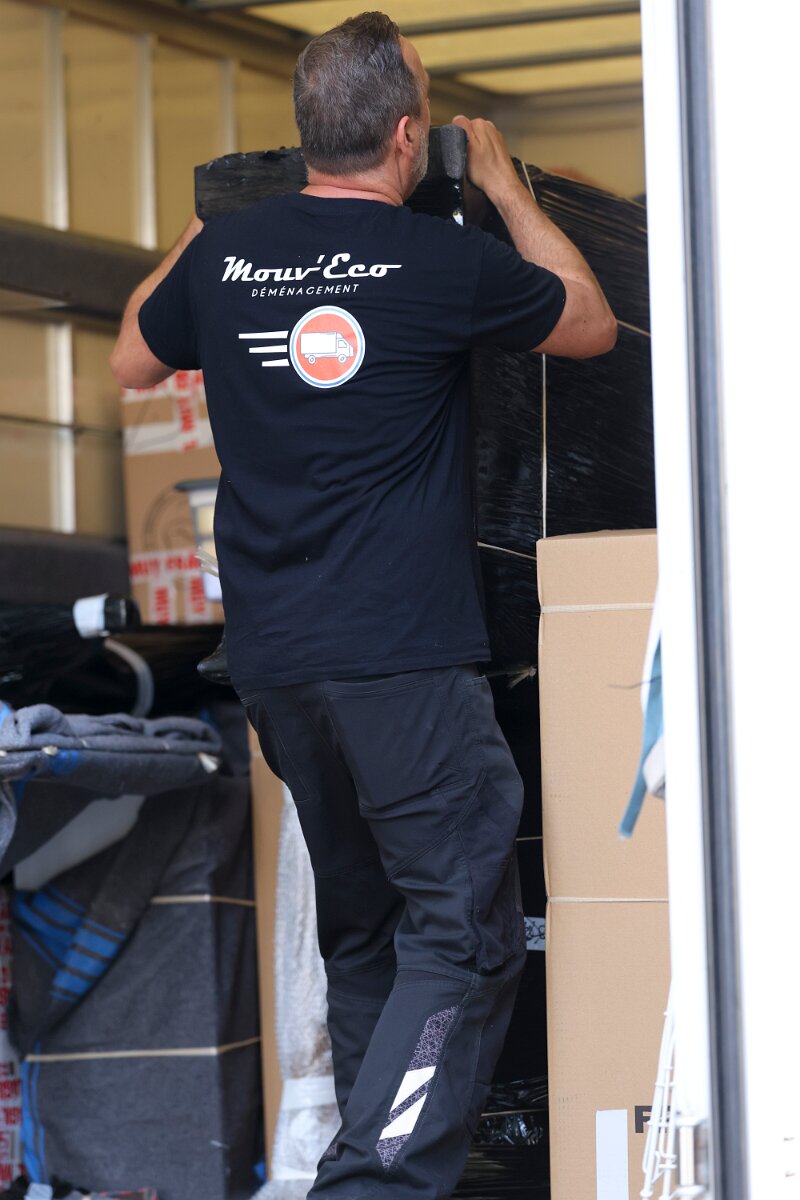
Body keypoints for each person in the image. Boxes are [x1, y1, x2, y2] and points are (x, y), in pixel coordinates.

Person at [111, 12, 616, 1199]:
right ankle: (373, 1181)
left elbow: (133, 354)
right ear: (405, 134)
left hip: (279, 667)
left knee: (364, 928)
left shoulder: (230, 258)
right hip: (401, 660)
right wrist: (500, 183)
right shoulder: (434, 260)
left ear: (305, 135)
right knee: (464, 933)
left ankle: (369, 1163)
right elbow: (588, 321)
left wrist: (212, 222)